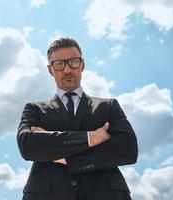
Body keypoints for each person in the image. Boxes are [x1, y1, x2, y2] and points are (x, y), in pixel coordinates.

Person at [17, 37, 138, 200]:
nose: (67, 69)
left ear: (82, 64)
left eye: (73, 61)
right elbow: (28, 145)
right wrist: (90, 138)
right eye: (59, 64)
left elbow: (128, 149)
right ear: (50, 70)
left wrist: (66, 159)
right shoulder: (34, 109)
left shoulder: (109, 106)